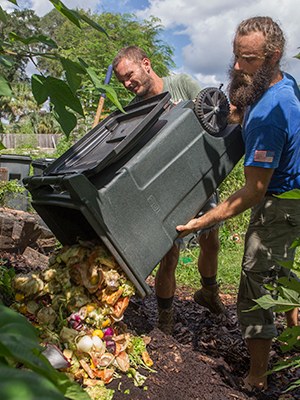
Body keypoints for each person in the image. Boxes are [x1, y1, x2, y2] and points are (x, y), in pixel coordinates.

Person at [177, 16, 300, 391]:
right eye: (235, 56)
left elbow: (253, 191)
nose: (235, 66)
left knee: (254, 285)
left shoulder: (268, 116)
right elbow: (252, 108)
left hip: (281, 203)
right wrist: (236, 114)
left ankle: (258, 377)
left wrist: (201, 222)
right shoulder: (282, 85)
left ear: (272, 56)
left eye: (247, 60)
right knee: (282, 272)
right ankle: (293, 343)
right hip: (290, 195)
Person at [112, 46, 225, 335]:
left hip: (199, 178)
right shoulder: (136, 109)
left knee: (211, 242)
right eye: (122, 80)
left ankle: (209, 292)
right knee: (169, 255)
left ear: (146, 65)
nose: (127, 84)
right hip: (164, 188)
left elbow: (213, 118)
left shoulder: (182, 85)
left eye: (130, 75)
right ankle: (165, 318)